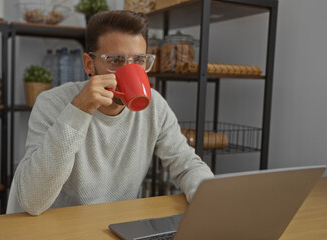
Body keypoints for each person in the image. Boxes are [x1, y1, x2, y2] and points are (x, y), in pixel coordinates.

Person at [13, 10, 214, 216]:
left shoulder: (155, 106)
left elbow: (187, 165)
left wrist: (210, 198)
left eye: (139, 60)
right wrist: (78, 111)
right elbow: (32, 201)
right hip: (59, 228)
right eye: (115, 60)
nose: (129, 70)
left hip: (119, 226)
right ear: (89, 64)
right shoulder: (52, 103)